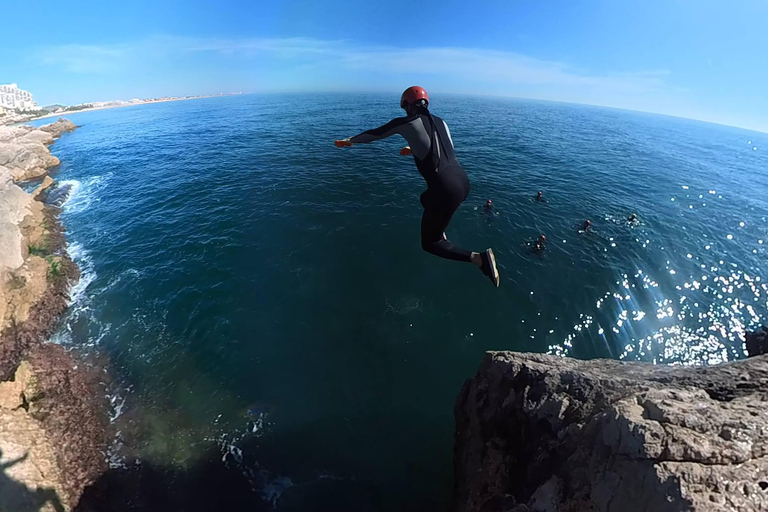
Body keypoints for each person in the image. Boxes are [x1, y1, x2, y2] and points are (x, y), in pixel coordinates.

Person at [334, 86, 500, 287]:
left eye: (405, 108)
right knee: (426, 199)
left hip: (445, 188)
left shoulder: (406, 122)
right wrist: (413, 148)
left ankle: (479, 259)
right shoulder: (442, 122)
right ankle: (441, 229)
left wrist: (350, 140)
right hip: (463, 181)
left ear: (407, 106)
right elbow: (442, 149)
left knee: (430, 244)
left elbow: (376, 133)